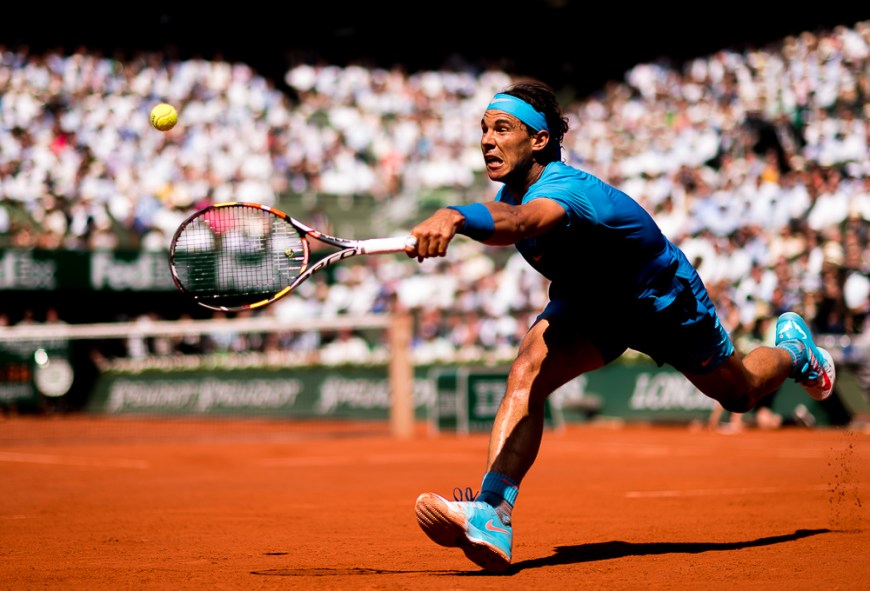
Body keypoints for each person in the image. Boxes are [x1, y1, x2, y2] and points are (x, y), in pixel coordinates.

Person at [404, 80, 836, 573]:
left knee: (740, 393)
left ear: (539, 140)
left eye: (502, 128)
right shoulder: (509, 194)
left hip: (662, 301)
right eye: (483, 129)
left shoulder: (566, 189)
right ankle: (493, 512)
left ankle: (795, 352)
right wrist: (460, 220)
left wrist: (455, 216)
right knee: (527, 371)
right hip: (593, 306)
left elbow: (521, 223)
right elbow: (511, 216)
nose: (486, 139)